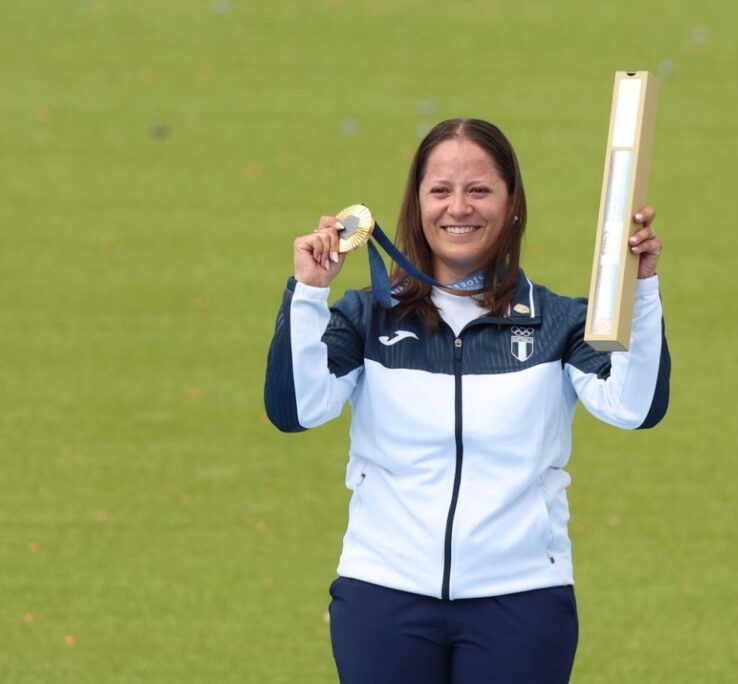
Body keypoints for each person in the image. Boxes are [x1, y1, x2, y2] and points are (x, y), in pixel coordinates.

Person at [264, 118, 670, 684]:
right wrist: (309, 292)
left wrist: (640, 289)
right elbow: (296, 410)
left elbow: (635, 407)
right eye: (440, 191)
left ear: (513, 205)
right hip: (384, 594)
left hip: (523, 600)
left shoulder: (559, 323)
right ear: (416, 205)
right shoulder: (367, 318)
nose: (459, 208)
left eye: (479, 190)